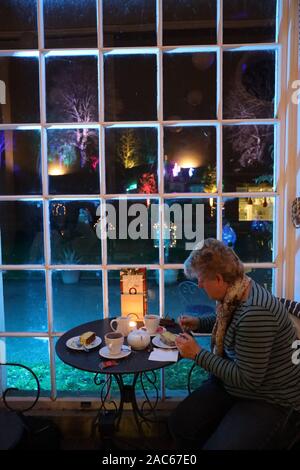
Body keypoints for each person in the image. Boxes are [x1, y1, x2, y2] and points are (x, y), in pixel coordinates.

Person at [169, 238, 300, 450]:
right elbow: (229, 320)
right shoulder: (239, 289)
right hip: (236, 385)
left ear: (219, 279)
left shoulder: (255, 313)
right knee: (180, 424)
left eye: (201, 279)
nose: (199, 284)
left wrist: (197, 354)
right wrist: (200, 323)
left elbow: (247, 380)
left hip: (270, 398)